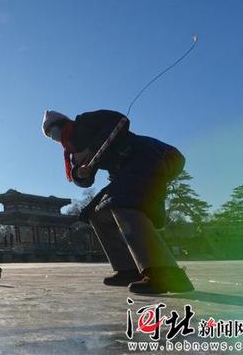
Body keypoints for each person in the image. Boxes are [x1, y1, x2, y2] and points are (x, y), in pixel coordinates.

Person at [42, 109, 194, 294]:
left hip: (151, 155)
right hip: (125, 171)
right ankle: (128, 269)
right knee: (97, 214)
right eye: (50, 135)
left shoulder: (85, 121)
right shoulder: (73, 151)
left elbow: (120, 120)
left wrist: (93, 148)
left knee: (122, 203)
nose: (54, 136)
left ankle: (167, 273)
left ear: (62, 123)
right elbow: (85, 180)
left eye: (53, 130)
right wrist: (80, 173)